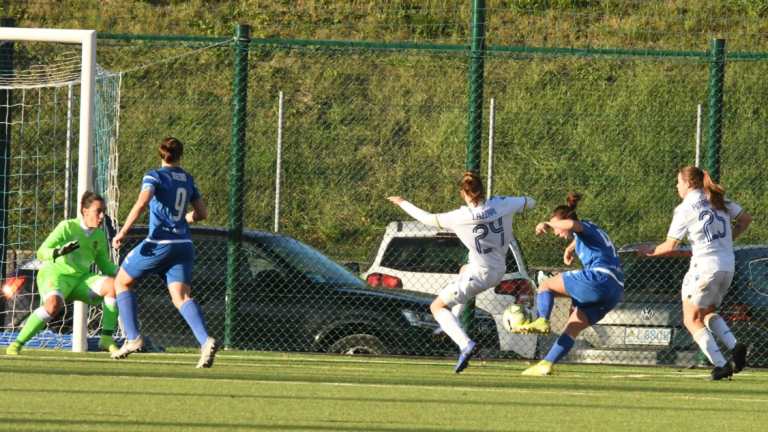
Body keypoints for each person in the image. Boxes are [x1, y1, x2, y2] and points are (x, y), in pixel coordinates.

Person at [388, 171, 534, 373]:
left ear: (462, 194)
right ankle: (452, 322)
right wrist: (507, 205)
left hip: (481, 275)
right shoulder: (502, 203)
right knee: (464, 268)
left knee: (437, 307)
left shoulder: (460, 217)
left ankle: (465, 344)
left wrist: (401, 201)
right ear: (484, 191)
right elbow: (530, 202)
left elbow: (427, 218)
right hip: (498, 268)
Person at [110, 137, 216, 368]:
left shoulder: (154, 176)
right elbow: (201, 213)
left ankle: (133, 338)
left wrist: (123, 232)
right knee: (181, 297)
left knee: (121, 283)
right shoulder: (188, 179)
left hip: (160, 242)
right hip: (183, 245)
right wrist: (184, 220)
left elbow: (141, 203)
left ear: (161, 154)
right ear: (181, 155)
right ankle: (205, 341)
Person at [638, 166, 752, 380]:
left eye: (678, 182)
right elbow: (746, 219)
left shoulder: (685, 207)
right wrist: (728, 238)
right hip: (727, 266)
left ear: (689, 184)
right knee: (706, 314)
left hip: (704, 267)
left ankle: (721, 364)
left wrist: (649, 251)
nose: (676, 186)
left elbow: (670, 245)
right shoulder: (718, 199)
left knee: (691, 319)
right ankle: (734, 345)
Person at [514, 192, 623, 376]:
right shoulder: (591, 231)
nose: (556, 232)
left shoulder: (582, 225)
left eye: (558, 226)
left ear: (563, 220)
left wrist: (548, 224)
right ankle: (546, 364)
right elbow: (578, 234)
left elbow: (573, 225)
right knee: (572, 326)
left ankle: (542, 320)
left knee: (545, 286)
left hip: (599, 278)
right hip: (614, 291)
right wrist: (568, 249)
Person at [6, 192, 120, 355]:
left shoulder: (100, 236)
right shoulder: (67, 227)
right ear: (85, 211)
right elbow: (41, 252)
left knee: (113, 285)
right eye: (98, 211)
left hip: (80, 279)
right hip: (56, 275)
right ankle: (17, 343)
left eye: (104, 211)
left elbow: (104, 265)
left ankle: (106, 339)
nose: (102, 216)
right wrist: (58, 252)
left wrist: (123, 272)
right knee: (53, 306)